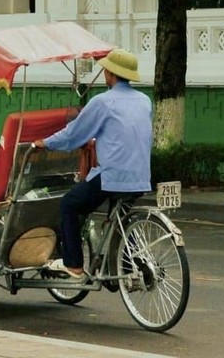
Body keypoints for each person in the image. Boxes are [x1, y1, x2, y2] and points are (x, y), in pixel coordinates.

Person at [33, 47, 152, 282]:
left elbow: (74, 134)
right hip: (141, 176)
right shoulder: (144, 101)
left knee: (70, 204)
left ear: (111, 74)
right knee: (120, 218)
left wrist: (45, 143)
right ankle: (126, 269)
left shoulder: (103, 102)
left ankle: (74, 265)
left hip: (113, 176)